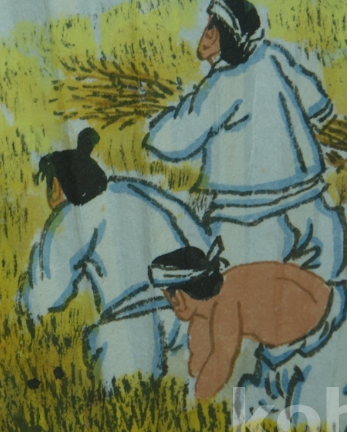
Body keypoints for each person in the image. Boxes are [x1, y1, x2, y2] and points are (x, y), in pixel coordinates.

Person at [144, 0, 347, 280]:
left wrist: (162, 118)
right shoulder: (275, 56)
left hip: (250, 224)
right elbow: (320, 106)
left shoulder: (221, 85)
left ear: (218, 36)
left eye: (210, 26)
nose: (204, 34)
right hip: (314, 212)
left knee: (235, 296)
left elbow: (170, 142)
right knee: (321, 294)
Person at [21, 127, 211, 388]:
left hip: (129, 326)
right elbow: (195, 234)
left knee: (128, 401)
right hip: (186, 314)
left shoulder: (71, 217)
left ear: (55, 187)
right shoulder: (134, 189)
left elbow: (45, 295)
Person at [149, 241, 347, 422]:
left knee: (316, 426)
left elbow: (220, 361)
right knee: (252, 417)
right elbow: (199, 362)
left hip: (334, 340)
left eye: (168, 297)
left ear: (179, 297)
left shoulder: (226, 302)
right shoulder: (206, 312)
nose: (171, 305)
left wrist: (194, 412)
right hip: (285, 357)